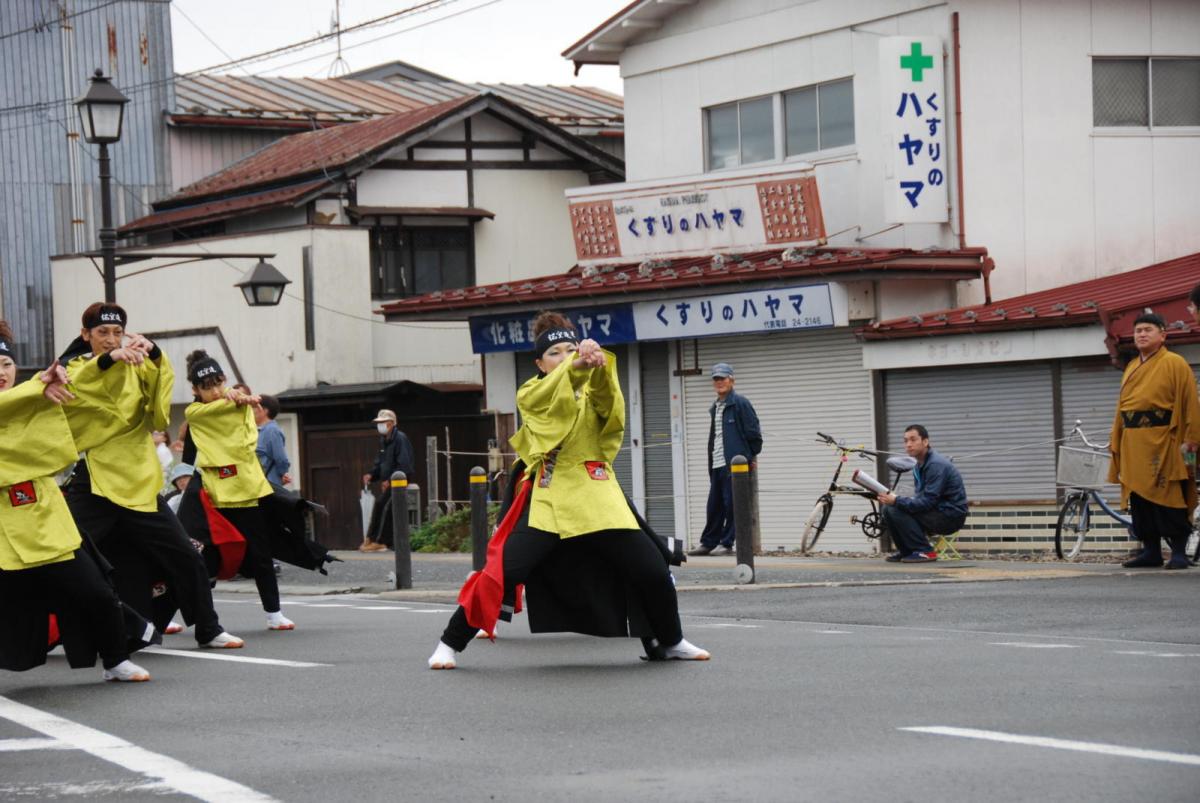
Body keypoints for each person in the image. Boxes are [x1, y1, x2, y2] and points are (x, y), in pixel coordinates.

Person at [427, 311, 708, 670]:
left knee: (651, 567)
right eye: (555, 352)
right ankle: (449, 643)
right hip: (550, 495)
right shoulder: (532, 391)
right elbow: (552, 405)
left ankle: (668, 641)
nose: (564, 357)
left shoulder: (589, 386)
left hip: (597, 492)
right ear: (540, 364)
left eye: (570, 349)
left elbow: (612, 413)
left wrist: (600, 366)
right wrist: (576, 368)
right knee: (505, 571)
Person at [59, 302, 244, 649]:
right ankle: (38, 630)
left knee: (186, 555)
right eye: (102, 333)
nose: (111, 339)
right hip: (95, 477)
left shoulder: (135, 364)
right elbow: (78, 384)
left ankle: (208, 627)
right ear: (86, 335)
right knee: (61, 553)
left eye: (118, 333)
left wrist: (156, 356)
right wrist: (108, 360)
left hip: (138, 478)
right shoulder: (77, 366)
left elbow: (158, 414)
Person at [0, 322, 154, 682]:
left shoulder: (36, 397)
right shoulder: (30, 395)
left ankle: (116, 659)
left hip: (42, 518)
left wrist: (110, 362)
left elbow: (82, 390)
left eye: (6, 365)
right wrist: (38, 386)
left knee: (95, 592)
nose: (1, 373)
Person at [183, 350, 295, 629]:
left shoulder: (238, 404)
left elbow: (243, 431)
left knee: (261, 553)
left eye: (219, 383)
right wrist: (236, 397)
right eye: (207, 388)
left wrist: (237, 397)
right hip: (213, 493)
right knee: (201, 558)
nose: (215, 391)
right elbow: (213, 410)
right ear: (195, 390)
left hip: (245, 488)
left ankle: (274, 613)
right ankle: (181, 616)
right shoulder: (195, 411)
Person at [1108, 312, 1200, 570]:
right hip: (1134, 442)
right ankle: (1151, 551)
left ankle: (1179, 552)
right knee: (1139, 498)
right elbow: (1121, 408)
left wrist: (1191, 440)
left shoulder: (1175, 363)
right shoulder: (1131, 366)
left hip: (1167, 440)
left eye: (1148, 329)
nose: (1142, 334)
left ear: (1163, 335)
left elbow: (1190, 403)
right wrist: (1115, 437)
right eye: (1138, 331)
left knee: (1171, 495)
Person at [689, 362, 762, 556]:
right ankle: (708, 542)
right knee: (714, 505)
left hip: (736, 464)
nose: (719, 382)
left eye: (723, 378)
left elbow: (754, 434)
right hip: (717, 463)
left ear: (732, 380)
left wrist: (748, 456)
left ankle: (727, 543)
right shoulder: (715, 407)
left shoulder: (740, 403)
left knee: (733, 505)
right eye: (716, 379)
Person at [876, 425, 968, 563]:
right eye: (906, 440)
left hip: (950, 516)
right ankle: (907, 551)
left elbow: (927, 502)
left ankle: (924, 551)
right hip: (936, 510)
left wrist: (897, 500)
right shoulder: (919, 465)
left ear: (925, 442)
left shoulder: (935, 465)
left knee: (893, 508)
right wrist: (897, 499)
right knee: (888, 509)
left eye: (913, 440)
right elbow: (922, 498)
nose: (908, 444)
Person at [361, 409, 414, 552]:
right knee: (380, 506)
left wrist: (390, 480)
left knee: (385, 507)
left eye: (382, 423)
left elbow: (404, 464)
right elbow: (381, 464)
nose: (379, 426)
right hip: (390, 480)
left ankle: (381, 541)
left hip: (400, 481)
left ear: (390, 424)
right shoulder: (384, 441)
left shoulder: (400, 438)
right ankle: (370, 539)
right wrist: (372, 475)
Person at [254, 394, 291, 487]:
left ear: (264, 411)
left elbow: (281, 459)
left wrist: (283, 474)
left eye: (254, 407)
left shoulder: (272, 430)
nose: (251, 411)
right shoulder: (258, 431)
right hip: (259, 485)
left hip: (269, 485)